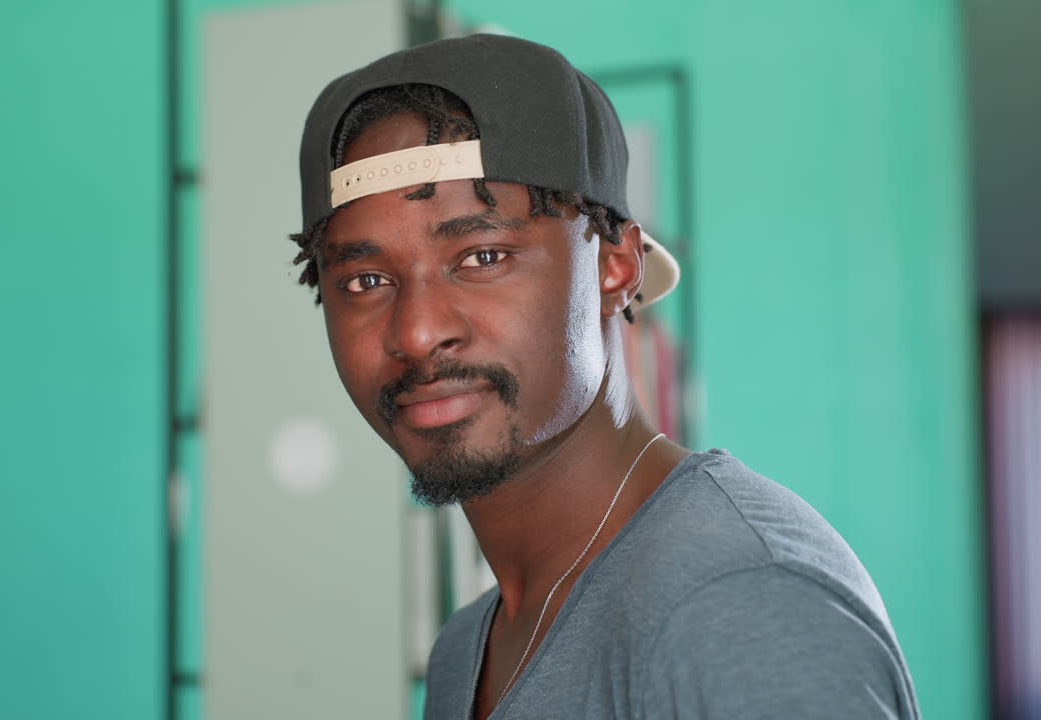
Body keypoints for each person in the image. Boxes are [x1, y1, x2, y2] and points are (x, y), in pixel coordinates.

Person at [289, 34, 919, 719]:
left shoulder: (737, 603)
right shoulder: (467, 649)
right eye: (367, 279)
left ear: (615, 264)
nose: (415, 332)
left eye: (482, 256)